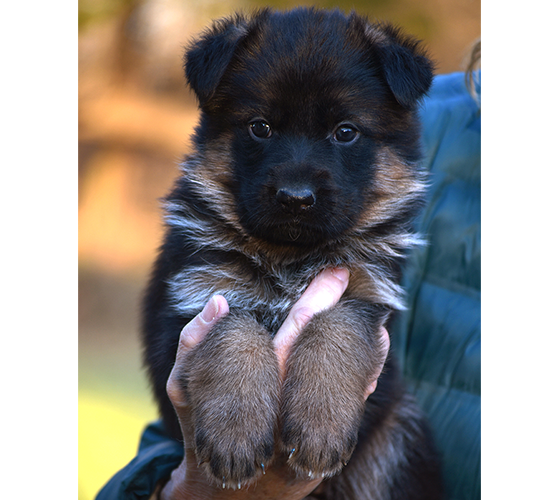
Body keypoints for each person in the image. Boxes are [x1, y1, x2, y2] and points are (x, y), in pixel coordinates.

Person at [96, 68, 481, 500]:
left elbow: (366, 338)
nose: (297, 186)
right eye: (261, 128)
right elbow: (175, 372)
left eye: (345, 132)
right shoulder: (443, 117)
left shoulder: (399, 104)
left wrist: (339, 341)